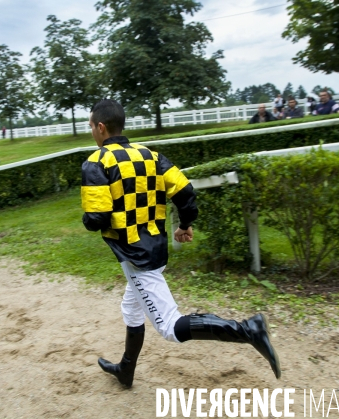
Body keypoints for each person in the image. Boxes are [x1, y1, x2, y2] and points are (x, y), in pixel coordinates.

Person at [81, 99, 281, 388]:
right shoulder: (151, 155)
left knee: (170, 327)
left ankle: (248, 330)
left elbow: (95, 219)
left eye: (91, 126)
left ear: (100, 127)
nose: (91, 132)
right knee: (131, 308)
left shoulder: (96, 162)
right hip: (154, 248)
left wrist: (93, 216)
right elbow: (185, 191)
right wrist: (185, 224)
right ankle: (126, 370)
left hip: (137, 257)